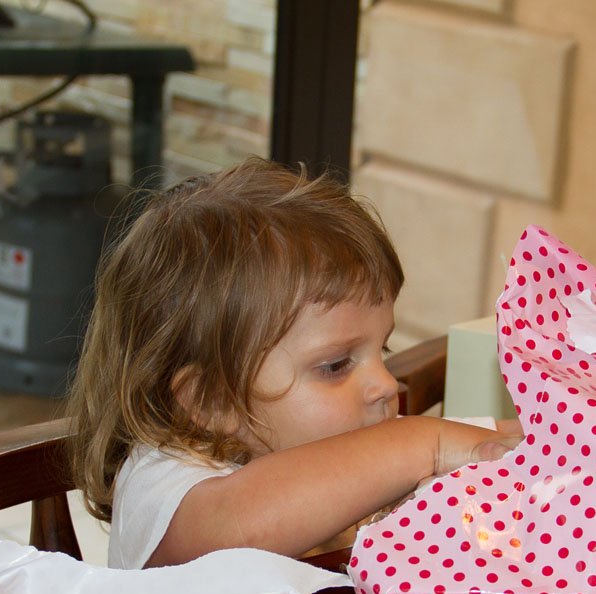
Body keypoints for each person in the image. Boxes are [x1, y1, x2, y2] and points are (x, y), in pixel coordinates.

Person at [67, 158, 520, 569]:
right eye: (337, 365)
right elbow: (240, 526)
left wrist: (555, 435)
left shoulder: (339, 440)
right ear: (212, 401)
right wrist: (423, 442)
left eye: (381, 350)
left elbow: (495, 443)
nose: (385, 384)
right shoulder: (165, 480)